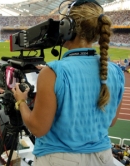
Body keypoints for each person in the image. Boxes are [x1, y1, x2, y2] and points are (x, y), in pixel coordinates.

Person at [12, 0, 125, 165]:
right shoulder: (115, 71)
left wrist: (21, 101)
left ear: (67, 27)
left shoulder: (53, 73)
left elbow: (38, 128)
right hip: (103, 158)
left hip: (59, 158)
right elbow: (111, 121)